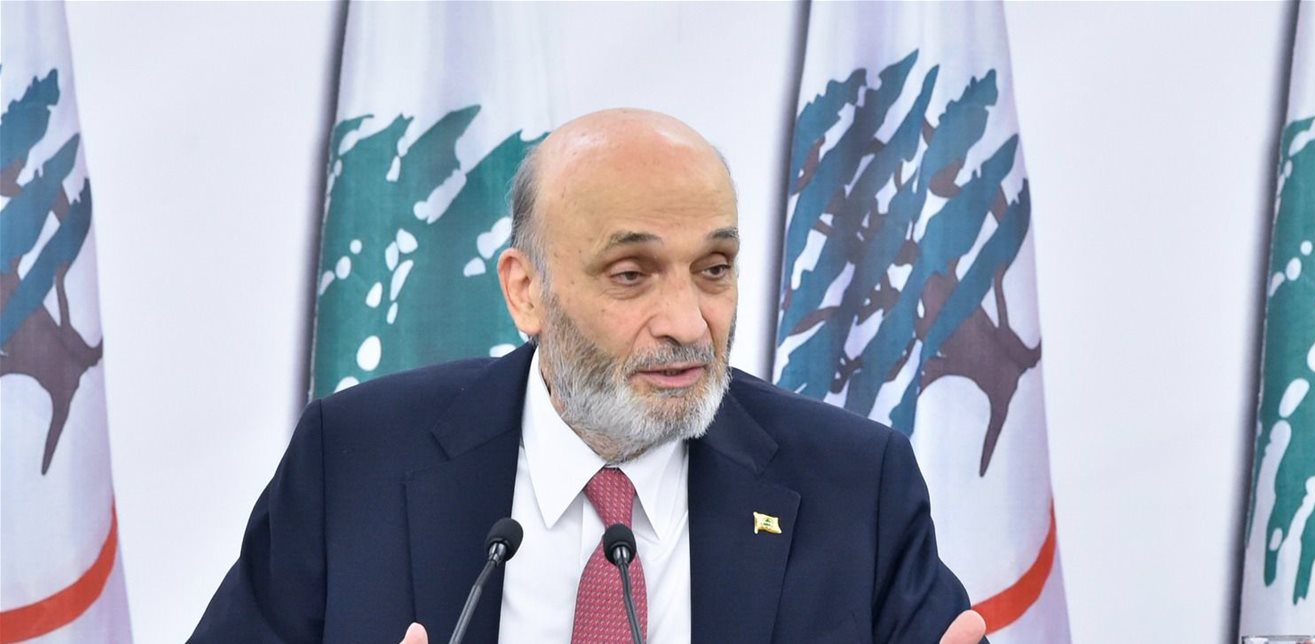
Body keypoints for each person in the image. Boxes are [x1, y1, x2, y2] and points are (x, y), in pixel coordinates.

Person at [190, 108, 987, 644]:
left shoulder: (854, 485)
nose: (687, 323)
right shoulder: (355, 459)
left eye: (713, 268)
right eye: (631, 274)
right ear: (525, 291)